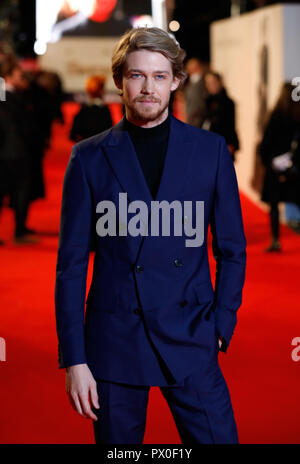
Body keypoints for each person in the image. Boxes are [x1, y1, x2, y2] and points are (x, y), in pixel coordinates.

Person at [55, 27, 247, 444]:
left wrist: (221, 323)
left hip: (191, 333)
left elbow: (231, 249)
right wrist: (75, 360)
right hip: (114, 341)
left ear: (177, 80)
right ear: (120, 80)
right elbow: (70, 267)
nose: (147, 87)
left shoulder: (210, 151)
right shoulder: (88, 157)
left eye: (159, 76)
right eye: (137, 75)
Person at [0, 60, 39, 245]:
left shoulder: (11, 95)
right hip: (17, 150)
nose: (22, 78)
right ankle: (19, 230)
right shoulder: (8, 96)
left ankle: (20, 229)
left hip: (8, 150)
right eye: (19, 75)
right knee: (21, 191)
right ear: (9, 76)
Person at [259, 82, 300, 252]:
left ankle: (275, 240)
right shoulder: (297, 116)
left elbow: (266, 143)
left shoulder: (276, 115)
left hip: (275, 165)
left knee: (274, 205)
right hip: (295, 166)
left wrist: (269, 163)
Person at [202, 71, 239, 162]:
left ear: (220, 82)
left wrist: (229, 143)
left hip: (223, 143)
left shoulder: (228, 103)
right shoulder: (206, 102)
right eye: (208, 83)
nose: (211, 86)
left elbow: (230, 124)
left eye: (213, 82)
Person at [70, 75, 113, 142]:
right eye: (103, 88)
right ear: (100, 91)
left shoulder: (83, 109)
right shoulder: (104, 110)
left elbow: (73, 135)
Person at [183, 57, 207, 128]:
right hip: (191, 118)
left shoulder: (202, 80)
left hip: (198, 118)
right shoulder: (191, 82)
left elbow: (198, 101)